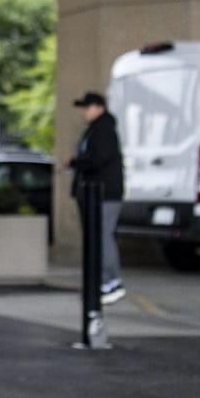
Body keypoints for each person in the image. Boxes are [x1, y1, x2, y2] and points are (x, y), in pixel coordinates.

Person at [69, 91, 125, 304]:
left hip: (104, 194)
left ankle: (111, 282)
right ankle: (101, 282)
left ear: (99, 108)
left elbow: (97, 159)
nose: (83, 112)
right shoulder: (94, 130)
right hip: (93, 193)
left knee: (103, 236)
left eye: (87, 107)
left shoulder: (104, 130)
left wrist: (75, 163)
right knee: (96, 238)